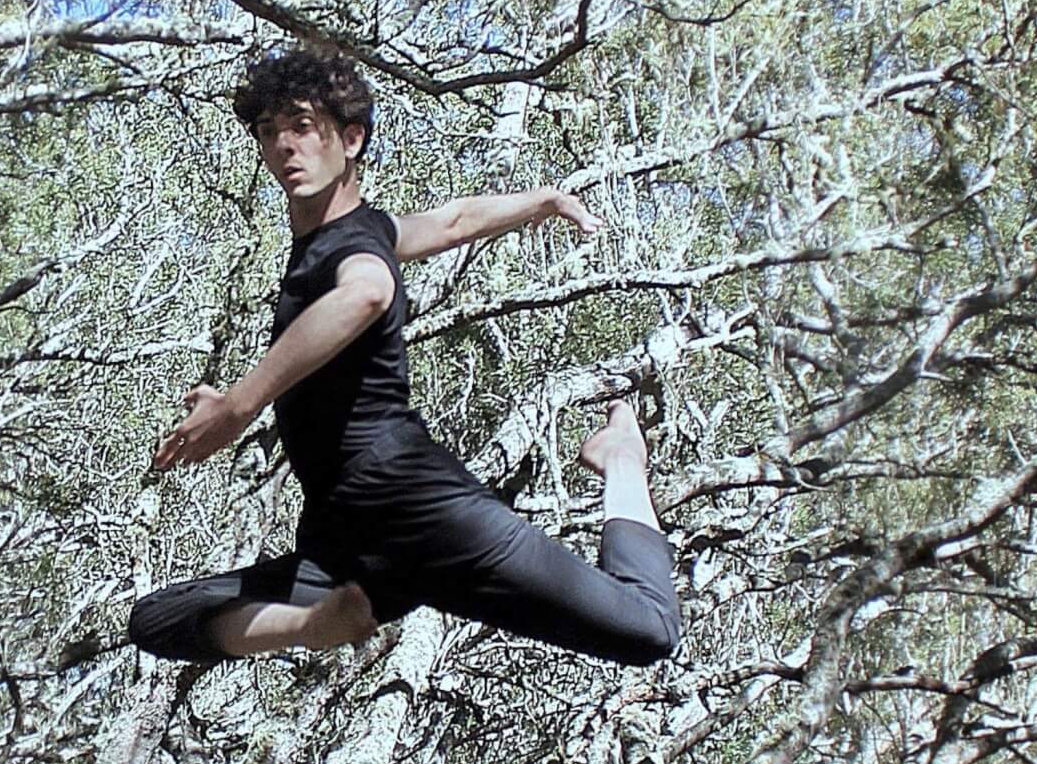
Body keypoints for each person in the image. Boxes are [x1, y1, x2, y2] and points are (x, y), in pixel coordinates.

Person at [126, 46, 681, 670]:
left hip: (414, 506)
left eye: (303, 126)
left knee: (649, 628)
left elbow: (366, 293)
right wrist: (540, 200)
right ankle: (315, 623)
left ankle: (621, 457)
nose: (285, 146)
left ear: (352, 139)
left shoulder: (352, 248)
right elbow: (450, 222)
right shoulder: (367, 232)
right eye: (268, 132)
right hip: (351, 546)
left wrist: (238, 406)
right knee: (157, 619)